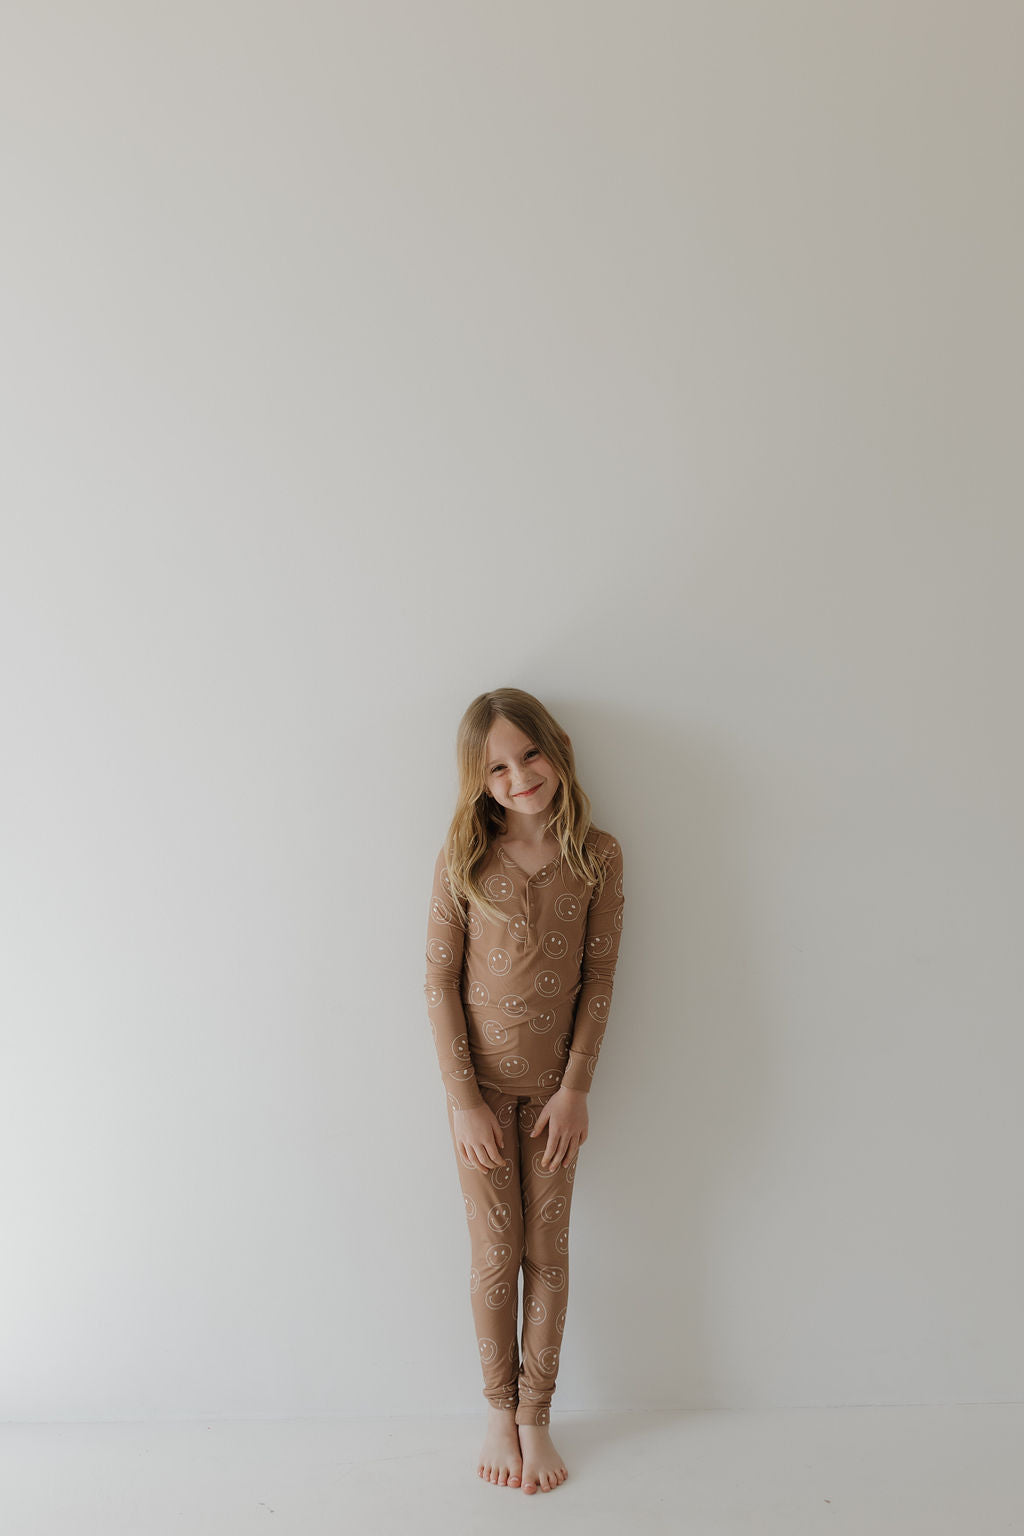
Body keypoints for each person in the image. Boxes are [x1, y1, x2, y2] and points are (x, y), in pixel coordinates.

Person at [423, 687, 626, 1494]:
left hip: (553, 1103)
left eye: (529, 755)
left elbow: (601, 978)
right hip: (480, 1101)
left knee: (547, 1253)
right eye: (497, 768)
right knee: (494, 1255)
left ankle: (537, 1416)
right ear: (479, 781)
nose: (518, 776)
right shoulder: (462, 857)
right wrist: (462, 1099)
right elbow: (438, 984)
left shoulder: (599, 856)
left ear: (559, 748)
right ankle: (496, 1412)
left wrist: (575, 1089)